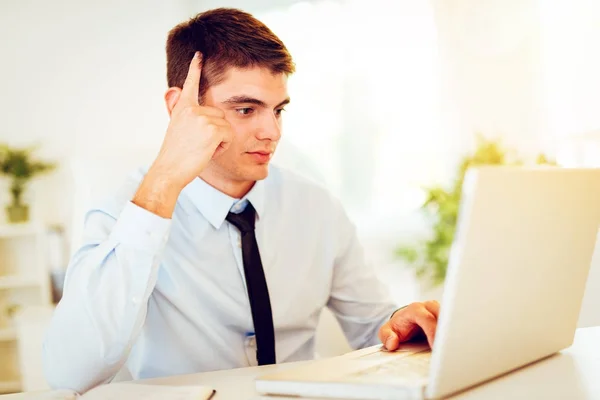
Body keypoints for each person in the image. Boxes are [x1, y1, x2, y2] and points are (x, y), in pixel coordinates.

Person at [42, 7, 440, 393]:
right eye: (246, 109)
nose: (271, 132)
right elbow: (71, 373)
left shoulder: (316, 207)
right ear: (179, 108)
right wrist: (163, 181)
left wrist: (399, 322)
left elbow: (371, 325)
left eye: (278, 110)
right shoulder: (122, 214)